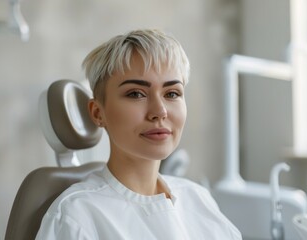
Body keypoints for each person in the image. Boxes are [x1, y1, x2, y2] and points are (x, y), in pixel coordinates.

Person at [35, 29, 242, 239]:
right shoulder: (77, 216)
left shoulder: (197, 198)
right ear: (98, 113)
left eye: (172, 93)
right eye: (136, 94)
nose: (159, 111)